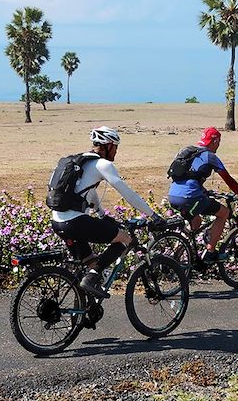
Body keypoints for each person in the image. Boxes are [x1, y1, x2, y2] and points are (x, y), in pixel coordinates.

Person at [49, 126, 164, 299]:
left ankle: (82, 310)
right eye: (116, 147)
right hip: (75, 222)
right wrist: (153, 215)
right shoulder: (103, 164)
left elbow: (89, 192)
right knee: (125, 239)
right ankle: (92, 277)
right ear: (109, 145)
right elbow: (128, 194)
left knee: (90, 263)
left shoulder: (82, 161)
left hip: (57, 221)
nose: (116, 151)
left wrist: (102, 214)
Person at [167, 127, 238, 264]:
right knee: (224, 213)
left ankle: (174, 260)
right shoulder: (210, 156)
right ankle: (210, 252)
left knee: (195, 223)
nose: (218, 146)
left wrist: (203, 190)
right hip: (191, 197)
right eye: (218, 143)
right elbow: (229, 180)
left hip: (173, 195)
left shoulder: (188, 152)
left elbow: (187, 177)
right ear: (214, 141)